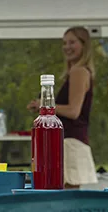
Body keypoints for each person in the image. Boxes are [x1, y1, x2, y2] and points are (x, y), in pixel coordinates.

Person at [29, 26, 98, 186]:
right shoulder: (78, 71)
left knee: (66, 199)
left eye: (72, 42)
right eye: (64, 43)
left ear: (84, 45)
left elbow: (73, 111)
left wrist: (44, 105)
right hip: (71, 141)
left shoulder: (79, 72)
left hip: (70, 142)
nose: (67, 47)